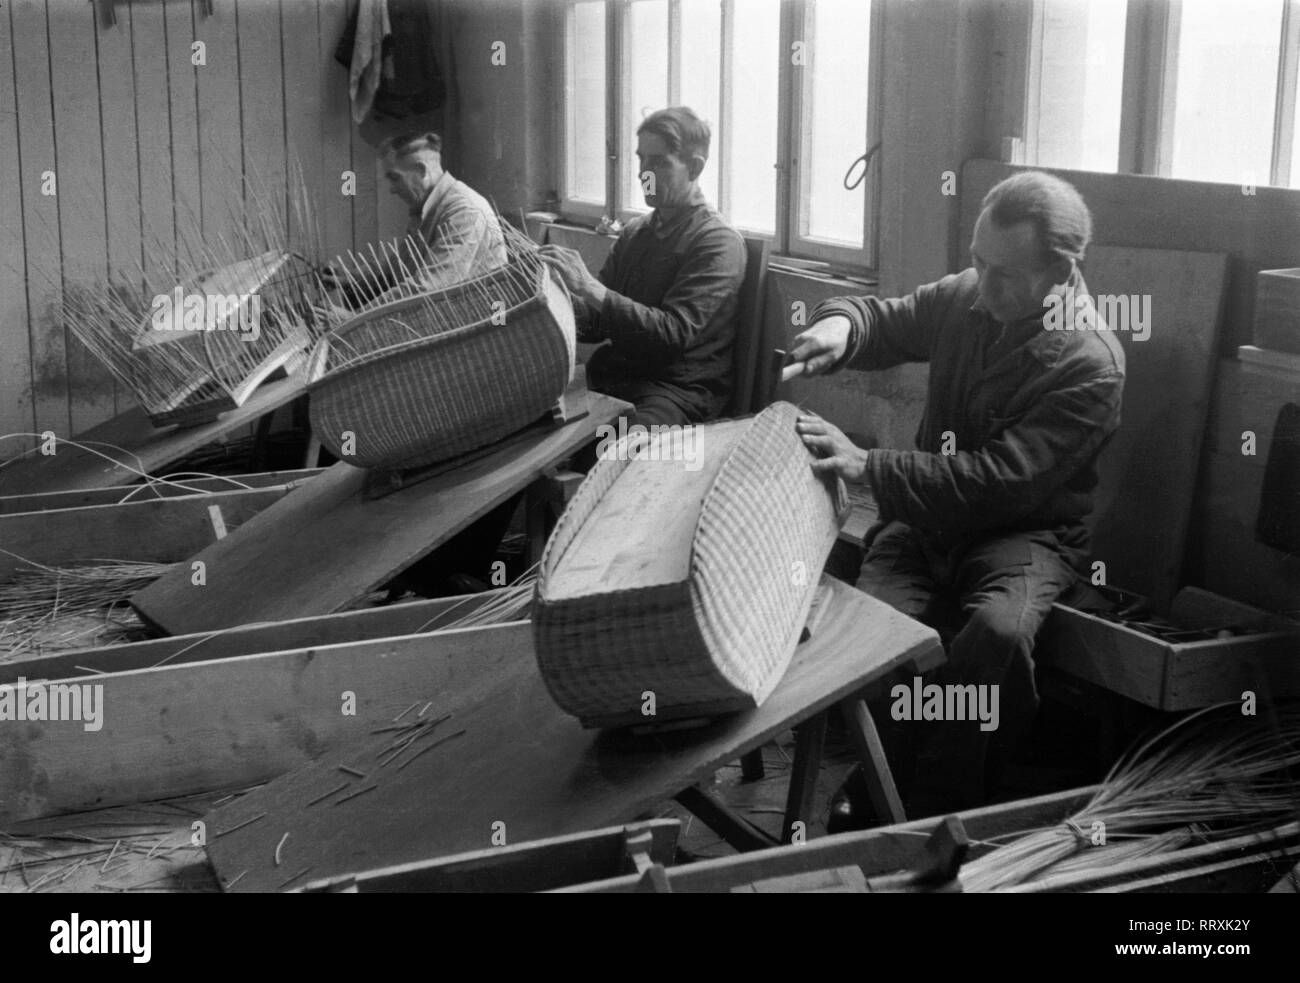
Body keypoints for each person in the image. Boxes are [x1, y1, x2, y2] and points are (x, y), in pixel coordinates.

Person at [788, 170, 1126, 824]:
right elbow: (885, 320)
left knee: (994, 637)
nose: (981, 282)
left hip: (1023, 533)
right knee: (868, 631)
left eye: (1002, 273)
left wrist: (868, 466)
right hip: (924, 524)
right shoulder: (972, 294)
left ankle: (939, 810)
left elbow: (997, 482)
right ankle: (882, 778)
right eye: (976, 261)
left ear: (1058, 272)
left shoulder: (1089, 362)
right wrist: (839, 327)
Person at [539, 106, 746, 427]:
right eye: (641, 159)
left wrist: (590, 287)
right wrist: (547, 295)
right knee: (527, 410)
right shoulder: (637, 232)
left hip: (677, 390)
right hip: (620, 376)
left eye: (658, 162)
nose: (642, 173)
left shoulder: (718, 242)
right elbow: (596, 325)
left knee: (619, 447)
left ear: (694, 167)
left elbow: (671, 335)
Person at [323, 130, 506, 305]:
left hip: (474, 328)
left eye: (395, 178)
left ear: (421, 171)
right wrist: (348, 279)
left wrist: (355, 321)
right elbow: (396, 266)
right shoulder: (428, 207)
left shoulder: (465, 211)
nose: (392, 189)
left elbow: (428, 288)